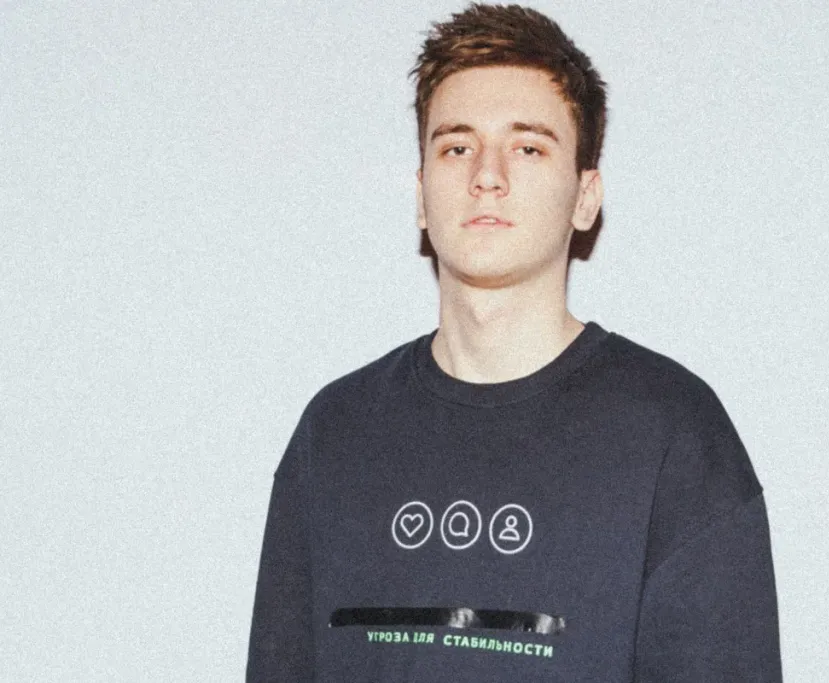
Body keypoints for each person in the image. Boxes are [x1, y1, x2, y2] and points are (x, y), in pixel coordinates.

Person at [246, 3, 782, 681]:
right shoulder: (335, 433)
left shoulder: (675, 437)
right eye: (457, 147)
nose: (487, 174)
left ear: (585, 197)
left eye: (528, 147)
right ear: (421, 194)